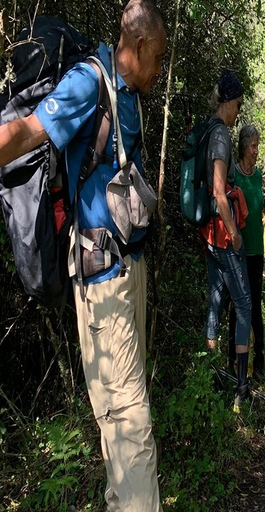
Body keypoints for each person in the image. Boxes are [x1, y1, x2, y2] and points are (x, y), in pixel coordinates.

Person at [0, 1, 166, 509]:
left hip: (126, 272)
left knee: (120, 419)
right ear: (136, 50)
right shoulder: (87, 82)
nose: (160, 72)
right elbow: (28, 131)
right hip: (102, 282)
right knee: (129, 420)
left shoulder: (129, 93)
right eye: (158, 59)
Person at [201, 70, 253, 409]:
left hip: (209, 235)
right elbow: (220, 193)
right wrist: (235, 234)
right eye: (237, 105)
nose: (237, 113)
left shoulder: (207, 130)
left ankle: (212, 376)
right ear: (227, 102)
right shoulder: (219, 135)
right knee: (245, 305)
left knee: (216, 302)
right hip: (222, 236)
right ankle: (241, 387)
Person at [226, 124, 265, 380]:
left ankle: (259, 362)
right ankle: (233, 361)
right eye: (253, 146)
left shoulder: (258, 175)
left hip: (257, 250)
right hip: (238, 252)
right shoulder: (234, 176)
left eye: (258, 146)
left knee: (255, 308)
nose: (256, 151)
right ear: (243, 147)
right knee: (238, 307)